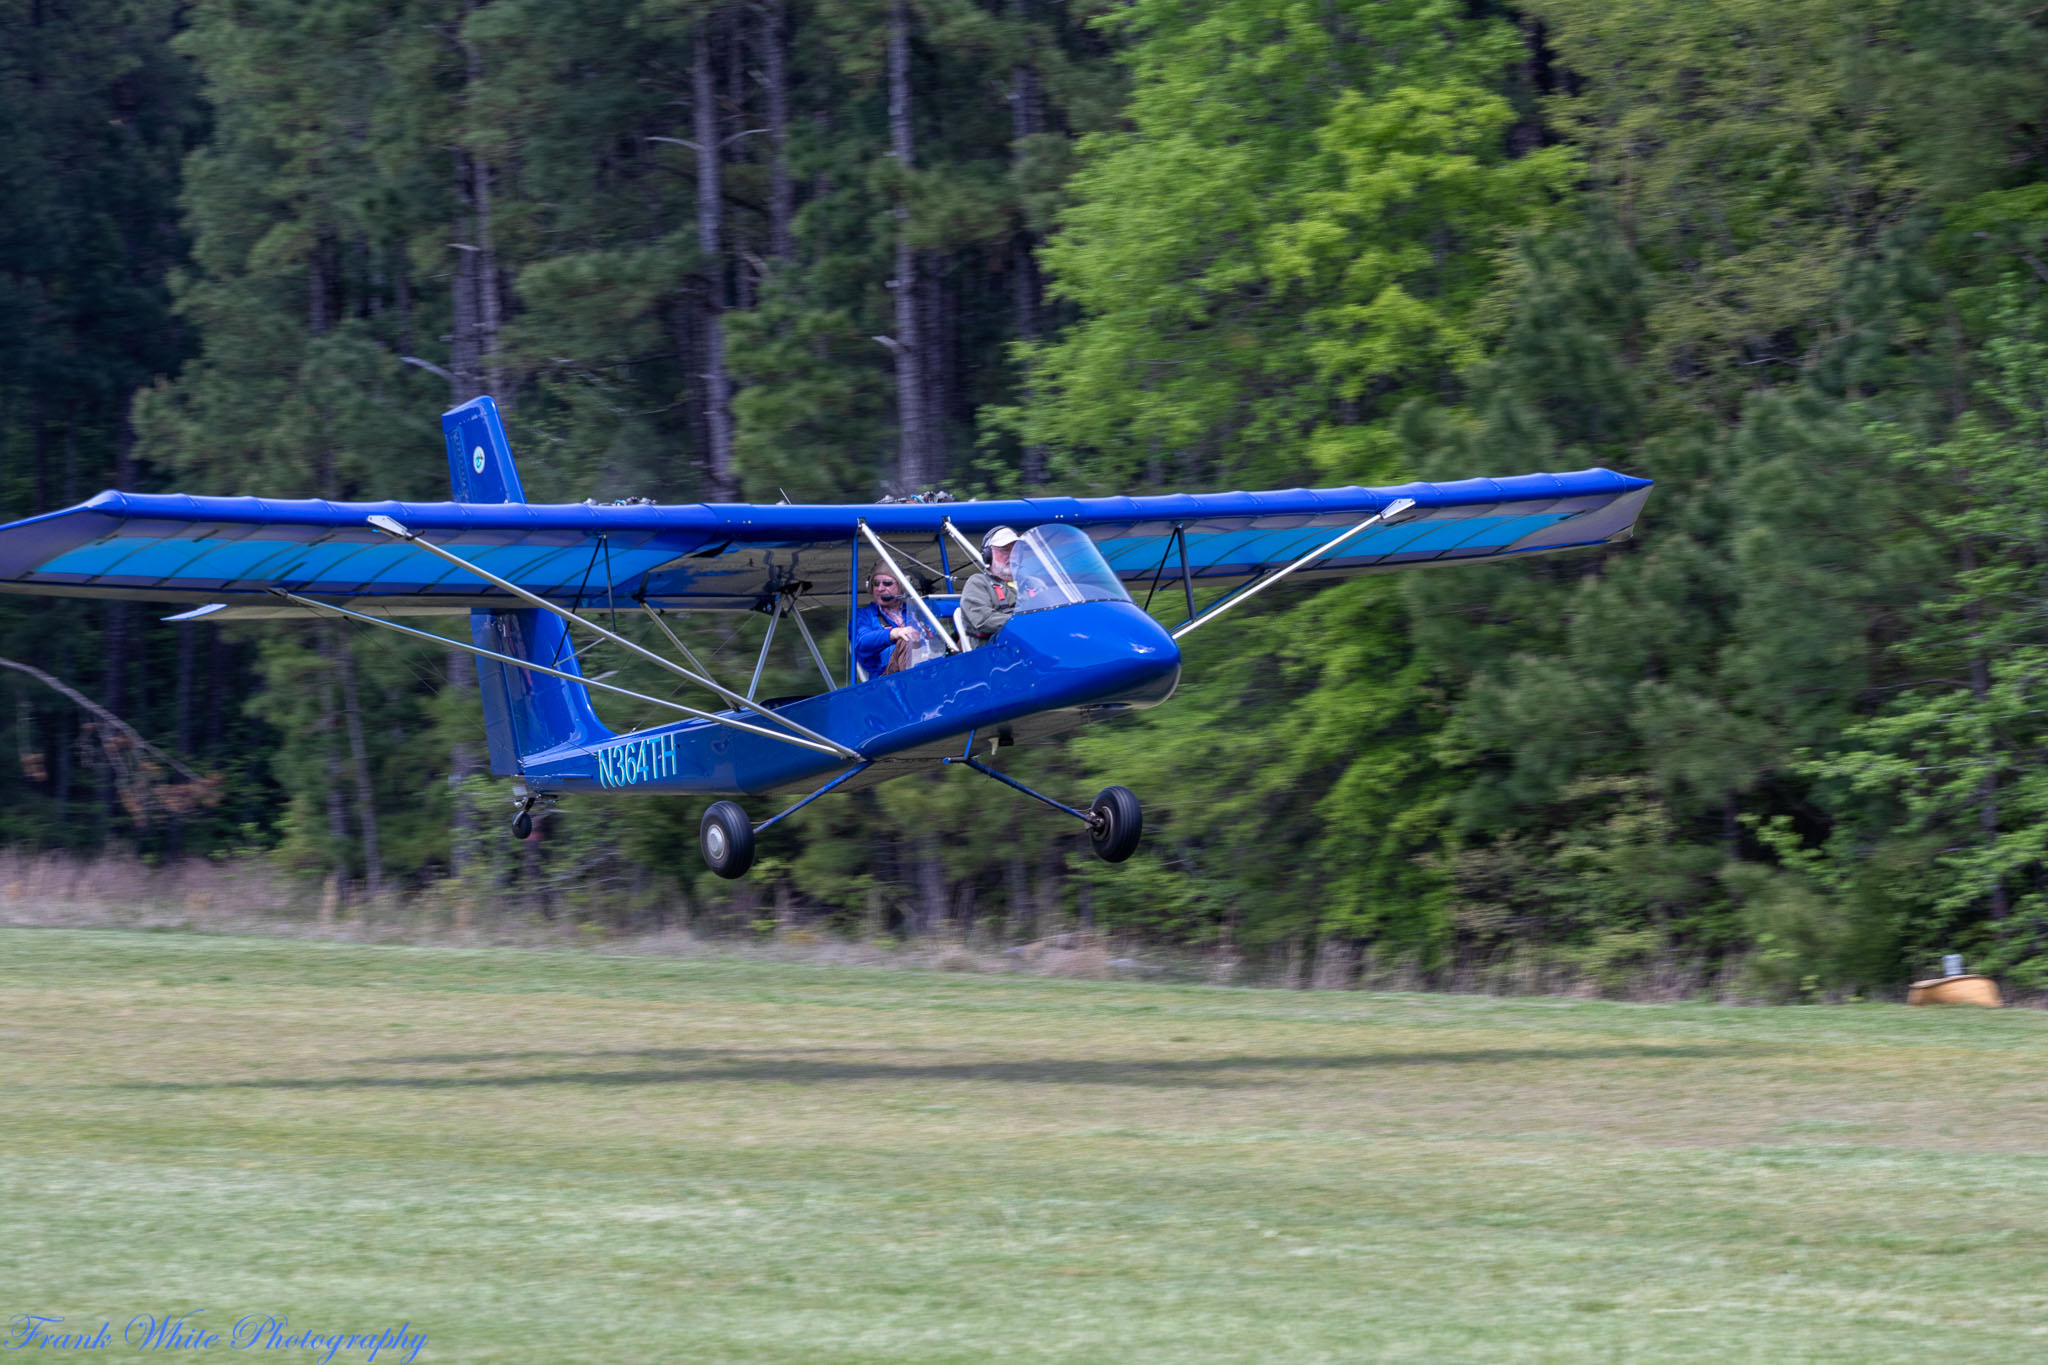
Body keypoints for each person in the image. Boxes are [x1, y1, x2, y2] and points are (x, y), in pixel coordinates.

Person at [852, 568, 942, 677]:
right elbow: (861, 642)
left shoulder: (916, 611)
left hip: (929, 666)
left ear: (901, 587)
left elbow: (934, 639)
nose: (880, 588)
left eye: (887, 583)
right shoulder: (863, 615)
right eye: (876, 584)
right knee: (906, 640)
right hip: (887, 678)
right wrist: (895, 633)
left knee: (957, 639)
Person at [958, 526, 1024, 645]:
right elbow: (983, 619)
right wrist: (1025, 623)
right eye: (1005, 550)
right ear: (988, 555)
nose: (1012, 555)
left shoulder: (1032, 583)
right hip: (998, 655)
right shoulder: (978, 582)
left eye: (1016, 550)